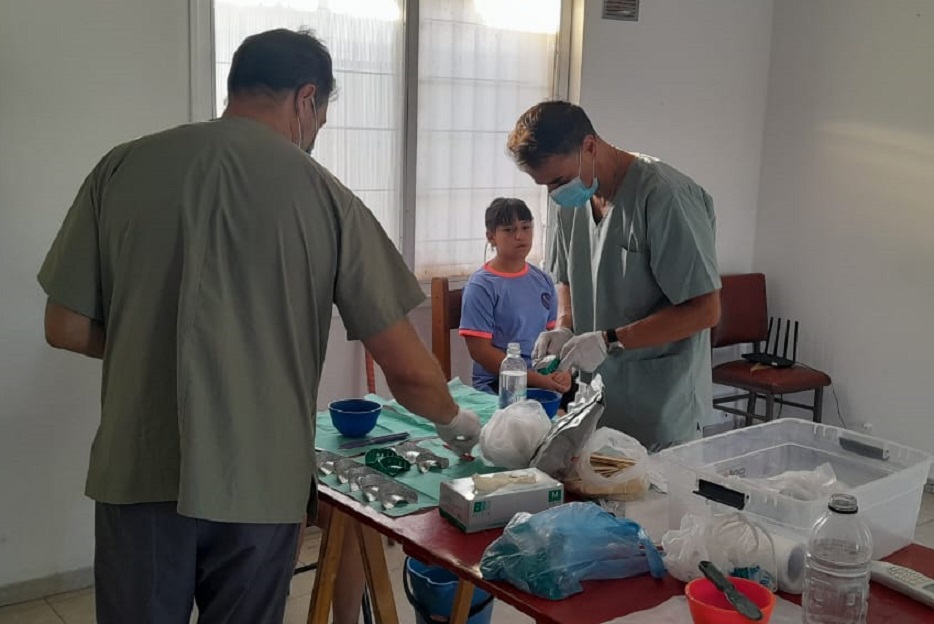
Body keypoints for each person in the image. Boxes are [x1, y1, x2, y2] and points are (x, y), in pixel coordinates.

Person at [38, 28, 480, 624]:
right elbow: (409, 371)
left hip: (138, 471)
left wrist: (153, 344)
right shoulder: (326, 197)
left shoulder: (120, 167)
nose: (315, 135)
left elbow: (65, 326)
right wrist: (461, 425)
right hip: (259, 485)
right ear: (306, 99)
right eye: (320, 120)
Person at [506, 101, 721, 449]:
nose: (554, 193)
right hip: (595, 402)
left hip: (660, 406)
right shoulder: (572, 203)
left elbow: (705, 310)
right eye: (545, 185)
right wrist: (566, 325)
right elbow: (568, 275)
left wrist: (609, 340)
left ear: (589, 146)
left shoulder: (664, 195)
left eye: (558, 181)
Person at [459, 197, 572, 397]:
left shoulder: (543, 280)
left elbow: (553, 340)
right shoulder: (481, 286)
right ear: (491, 236)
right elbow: (480, 352)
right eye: (509, 230)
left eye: (526, 227)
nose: (520, 236)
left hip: (541, 378)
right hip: (499, 384)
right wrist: (538, 380)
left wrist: (563, 372)